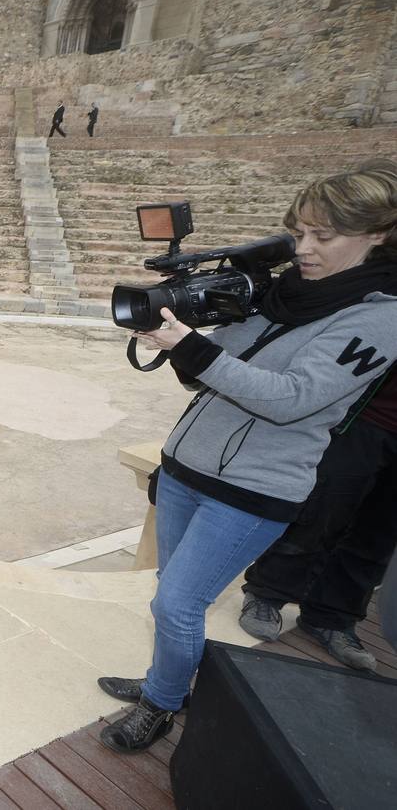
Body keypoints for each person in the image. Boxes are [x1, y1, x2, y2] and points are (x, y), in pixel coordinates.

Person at [96, 165, 397, 754]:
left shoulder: (380, 316)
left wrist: (193, 347)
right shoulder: (286, 293)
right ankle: (167, 680)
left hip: (253, 490)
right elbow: (220, 371)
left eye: (323, 236)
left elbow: (292, 400)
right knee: (169, 592)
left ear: (378, 234)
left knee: (177, 603)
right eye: (299, 233)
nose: (304, 249)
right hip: (189, 469)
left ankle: (161, 705)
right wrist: (186, 325)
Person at [236, 162, 397, 671]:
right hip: (364, 417)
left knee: (379, 530)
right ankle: (268, 591)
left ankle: (333, 616)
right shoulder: (358, 280)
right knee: (321, 508)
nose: (306, 246)